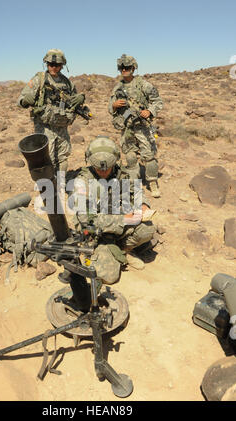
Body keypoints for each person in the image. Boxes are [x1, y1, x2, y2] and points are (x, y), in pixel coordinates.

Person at [70, 136, 157, 285]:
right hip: (95, 232)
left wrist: (143, 205)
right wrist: (123, 220)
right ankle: (97, 252)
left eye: (107, 168)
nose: (103, 172)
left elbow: (137, 192)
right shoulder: (82, 182)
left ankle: (124, 250)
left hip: (118, 223)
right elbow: (87, 220)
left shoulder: (122, 174)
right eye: (99, 169)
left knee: (147, 229)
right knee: (109, 277)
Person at [17, 49, 85, 172]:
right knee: (47, 160)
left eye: (57, 65)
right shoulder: (40, 79)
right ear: (46, 64)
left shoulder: (67, 83)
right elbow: (20, 100)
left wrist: (80, 98)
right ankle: (48, 187)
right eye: (50, 64)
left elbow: (73, 101)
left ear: (62, 65)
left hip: (61, 126)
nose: (53, 67)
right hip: (44, 126)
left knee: (63, 159)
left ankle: (60, 184)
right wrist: (26, 100)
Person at [108, 54, 163, 198]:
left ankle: (152, 182)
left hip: (142, 126)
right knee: (130, 155)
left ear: (133, 68)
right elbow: (110, 107)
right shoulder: (117, 87)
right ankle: (134, 182)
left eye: (127, 67)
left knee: (149, 156)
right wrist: (114, 105)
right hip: (126, 128)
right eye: (122, 68)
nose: (125, 70)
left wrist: (149, 111)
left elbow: (157, 101)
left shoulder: (143, 84)